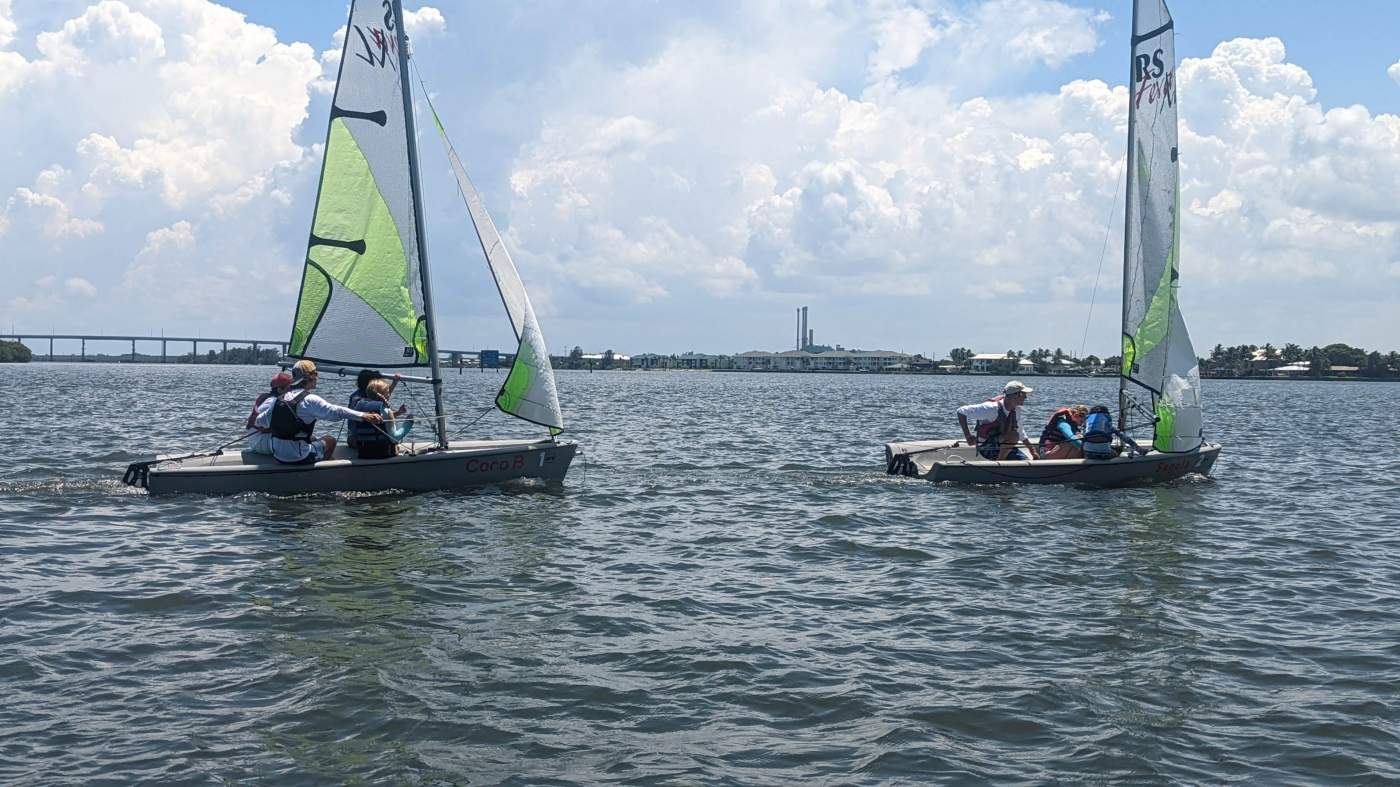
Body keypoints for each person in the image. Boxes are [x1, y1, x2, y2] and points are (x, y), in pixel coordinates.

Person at [269, 360, 382, 465]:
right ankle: (324, 473)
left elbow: (261, 420)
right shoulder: (309, 399)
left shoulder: (280, 399)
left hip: (277, 454)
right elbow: (336, 413)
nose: (318, 377)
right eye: (316, 374)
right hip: (298, 457)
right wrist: (364, 415)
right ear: (310, 377)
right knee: (330, 440)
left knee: (312, 438)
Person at [957, 380, 1039, 461]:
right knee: (1013, 436)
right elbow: (961, 411)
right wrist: (968, 436)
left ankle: (1002, 461)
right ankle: (999, 464)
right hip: (986, 447)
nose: (1025, 397)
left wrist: (1032, 451)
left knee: (1024, 460)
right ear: (1013, 396)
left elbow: (1020, 432)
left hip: (1004, 444)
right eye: (1023, 394)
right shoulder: (991, 409)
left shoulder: (1016, 410)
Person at [349, 377, 412, 458]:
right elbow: (394, 438)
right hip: (382, 453)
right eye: (388, 391)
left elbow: (382, 417)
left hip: (363, 452)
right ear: (384, 395)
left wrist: (399, 412)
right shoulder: (386, 411)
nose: (390, 394)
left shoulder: (360, 406)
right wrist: (408, 424)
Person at [347, 369, 398, 449]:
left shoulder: (358, 397)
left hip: (361, 439)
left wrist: (395, 382)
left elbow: (384, 396)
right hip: (357, 441)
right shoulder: (361, 401)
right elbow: (383, 401)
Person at [245, 371, 293, 456]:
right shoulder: (272, 402)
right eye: (289, 388)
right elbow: (260, 422)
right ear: (279, 389)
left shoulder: (268, 398)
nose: (292, 390)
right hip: (260, 442)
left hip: (256, 440)